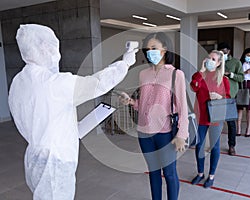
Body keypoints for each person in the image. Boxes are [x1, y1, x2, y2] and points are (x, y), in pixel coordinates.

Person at [8, 24, 138, 200]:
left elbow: (38, 117)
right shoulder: (54, 83)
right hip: (56, 161)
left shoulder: (19, 81)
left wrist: (68, 128)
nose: (55, 50)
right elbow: (98, 83)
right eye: (51, 45)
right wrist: (126, 62)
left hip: (34, 157)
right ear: (43, 48)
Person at [120, 32, 189, 200]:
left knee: (170, 173)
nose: (150, 52)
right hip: (144, 133)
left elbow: (183, 108)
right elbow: (144, 103)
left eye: (154, 48)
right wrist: (131, 102)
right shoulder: (144, 74)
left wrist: (182, 134)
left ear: (164, 50)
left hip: (165, 133)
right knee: (153, 172)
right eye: (148, 49)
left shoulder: (175, 74)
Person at [190, 50, 230, 188]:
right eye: (208, 58)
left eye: (213, 59)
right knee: (199, 145)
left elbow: (228, 98)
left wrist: (220, 97)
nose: (209, 61)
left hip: (216, 116)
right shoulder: (201, 76)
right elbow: (193, 86)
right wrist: (200, 72)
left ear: (219, 63)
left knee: (214, 146)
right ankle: (200, 173)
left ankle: (211, 175)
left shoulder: (223, 80)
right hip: (201, 116)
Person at [217, 42, 244, 156]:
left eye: (224, 52)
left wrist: (231, 75)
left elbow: (241, 77)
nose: (223, 54)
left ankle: (231, 146)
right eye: (221, 52)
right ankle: (213, 145)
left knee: (231, 123)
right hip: (217, 97)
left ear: (229, 51)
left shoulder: (236, 62)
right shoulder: (216, 62)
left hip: (229, 97)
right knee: (215, 123)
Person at [237, 48, 250, 137]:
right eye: (248, 55)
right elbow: (238, 75)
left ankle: (248, 129)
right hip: (241, 84)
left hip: (249, 85)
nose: (249, 58)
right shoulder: (239, 63)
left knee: (249, 108)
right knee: (239, 108)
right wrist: (245, 72)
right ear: (244, 55)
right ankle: (238, 129)